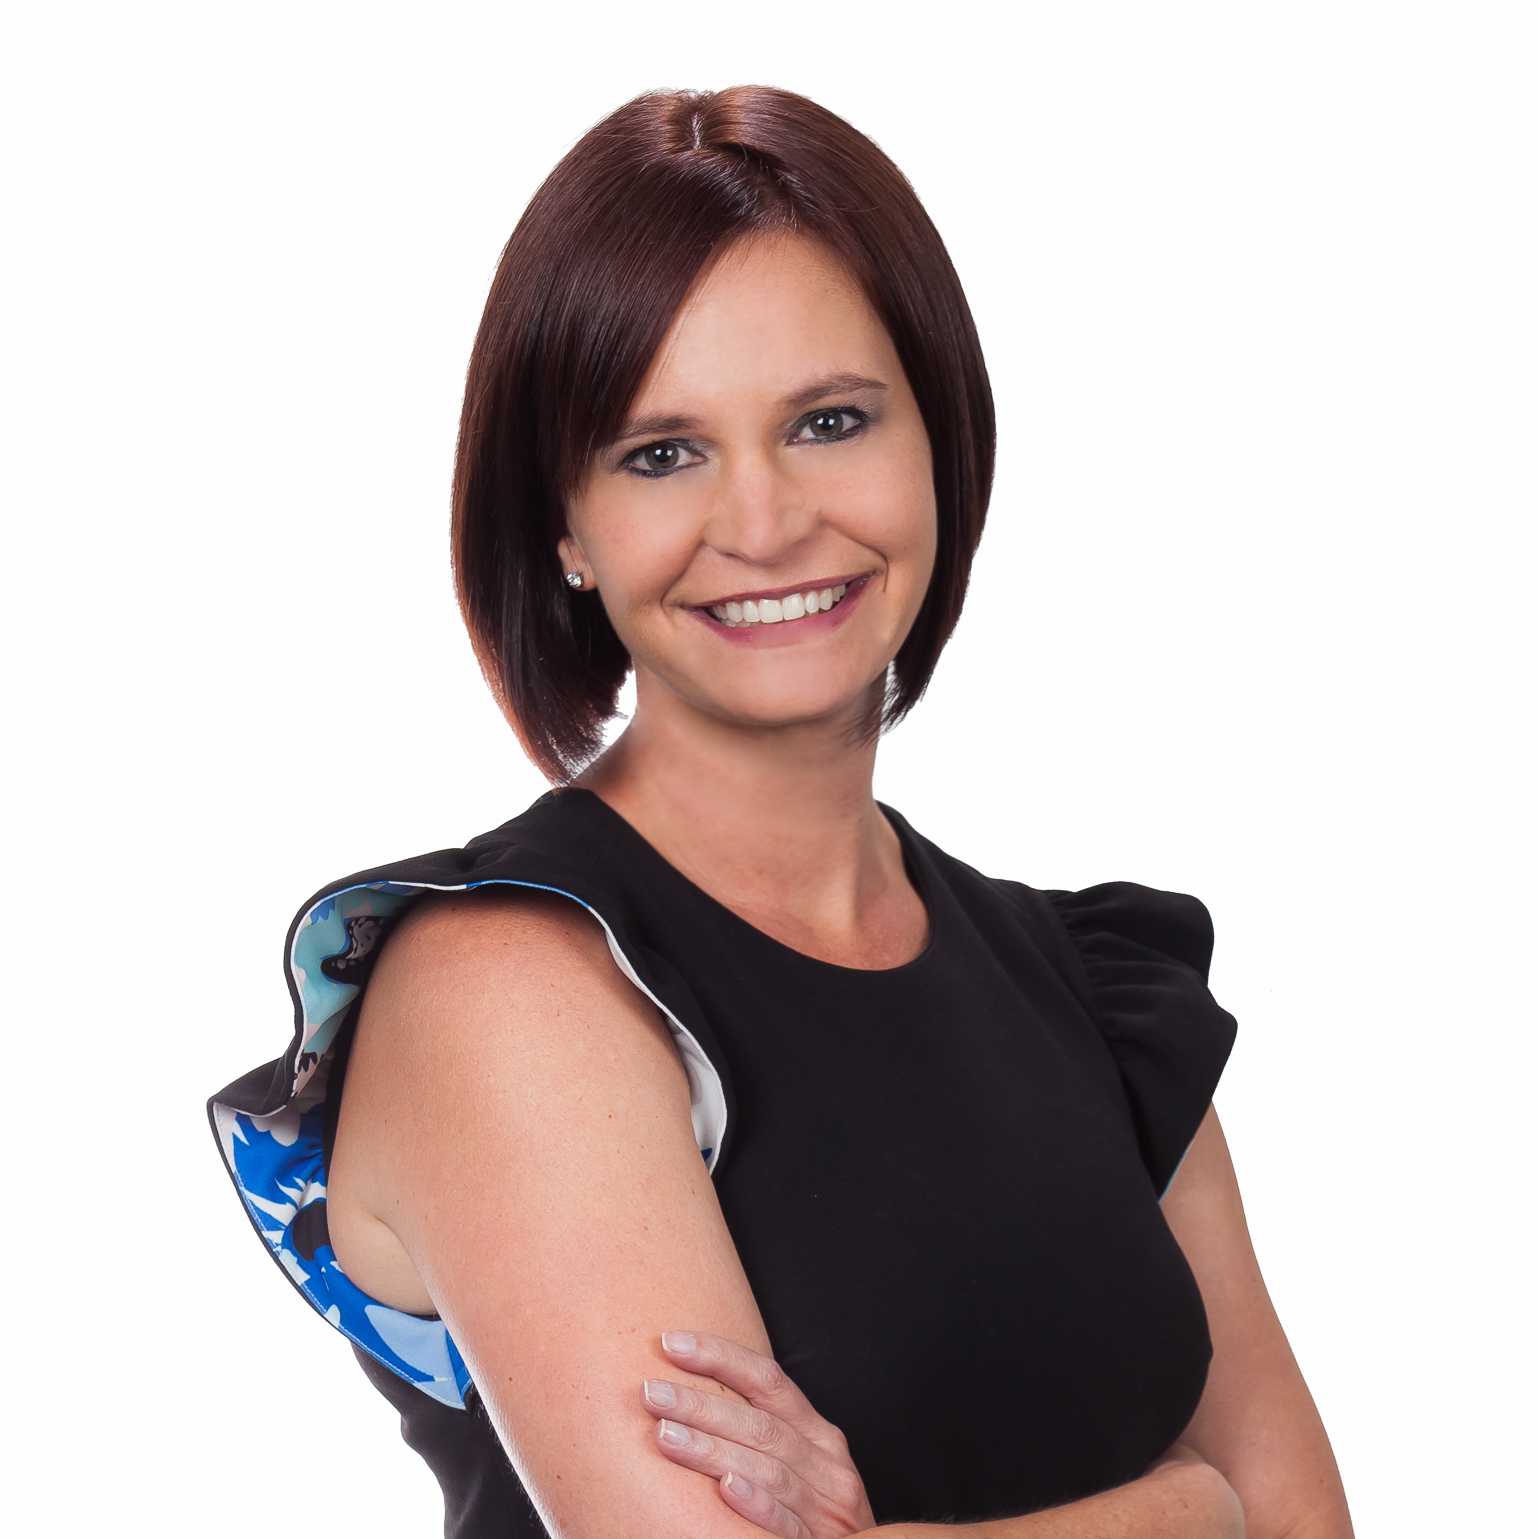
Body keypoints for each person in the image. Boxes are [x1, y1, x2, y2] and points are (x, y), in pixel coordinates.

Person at [206, 85, 1352, 1539]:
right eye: (661, 452)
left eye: (828, 421)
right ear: (565, 525)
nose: (763, 522)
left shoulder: (1093, 989)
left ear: (938, 443)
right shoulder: (511, 986)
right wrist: (1191, 1509)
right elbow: (1255, 1509)